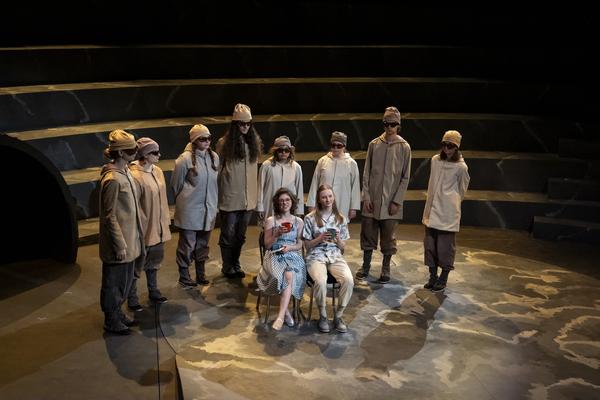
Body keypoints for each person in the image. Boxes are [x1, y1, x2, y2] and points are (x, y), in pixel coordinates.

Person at [357, 106, 411, 283]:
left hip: (390, 202)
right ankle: (366, 266)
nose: (389, 127)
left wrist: (397, 201)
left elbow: (405, 177)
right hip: (372, 200)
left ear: (398, 125)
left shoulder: (404, 147)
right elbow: (366, 173)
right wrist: (366, 196)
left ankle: (386, 268)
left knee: (388, 237)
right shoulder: (374, 144)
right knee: (368, 234)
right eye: (386, 124)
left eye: (393, 124)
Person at [99, 129, 144, 334]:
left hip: (130, 239)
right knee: (113, 283)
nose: (135, 153)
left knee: (124, 282)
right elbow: (109, 216)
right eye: (131, 150)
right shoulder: (112, 179)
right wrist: (119, 244)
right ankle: (111, 318)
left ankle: (118, 313)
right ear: (121, 153)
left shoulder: (125, 173)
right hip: (120, 244)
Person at [216, 103, 263, 278]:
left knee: (240, 235)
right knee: (228, 234)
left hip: (248, 199)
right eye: (241, 124)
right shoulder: (224, 143)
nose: (245, 127)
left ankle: (235, 263)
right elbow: (218, 170)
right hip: (230, 197)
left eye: (248, 123)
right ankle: (227, 266)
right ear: (235, 124)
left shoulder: (254, 142)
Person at [171, 124, 219, 287]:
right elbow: (176, 185)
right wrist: (186, 200)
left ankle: (200, 274)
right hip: (189, 210)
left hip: (208, 209)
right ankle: (184, 275)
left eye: (209, 138)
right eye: (202, 139)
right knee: (187, 244)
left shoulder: (214, 157)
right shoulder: (184, 160)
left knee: (203, 244)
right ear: (194, 140)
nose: (207, 141)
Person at [422, 130, 470, 291]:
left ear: (456, 147)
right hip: (431, 210)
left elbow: (462, 190)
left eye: (450, 146)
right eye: (444, 145)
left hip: (447, 212)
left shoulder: (461, 167)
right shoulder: (435, 160)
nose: (446, 149)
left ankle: (443, 278)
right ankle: (432, 276)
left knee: (445, 248)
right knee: (430, 246)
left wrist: (450, 203)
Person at [127, 137, 172, 310]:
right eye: (155, 152)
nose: (159, 155)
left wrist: (165, 221)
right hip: (144, 228)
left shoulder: (157, 171)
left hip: (159, 227)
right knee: (137, 265)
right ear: (145, 155)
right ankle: (132, 297)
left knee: (154, 262)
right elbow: (134, 206)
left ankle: (153, 290)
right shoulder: (134, 175)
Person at [303, 184, 354, 334]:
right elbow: (307, 245)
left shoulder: (340, 219)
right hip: (316, 256)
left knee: (348, 280)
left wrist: (338, 240)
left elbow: (343, 248)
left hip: (335, 256)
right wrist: (319, 238)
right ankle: (323, 316)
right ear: (319, 199)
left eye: (330, 196)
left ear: (334, 197)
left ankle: (338, 316)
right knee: (320, 281)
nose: (328, 200)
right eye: (324, 197)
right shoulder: (310, 218)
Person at [256, 188, 306, 331]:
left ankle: (281, 315)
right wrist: (276, 234)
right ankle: (284, 314)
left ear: (292, 202)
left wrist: (290, 248)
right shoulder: (271, 221)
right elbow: (267, 245)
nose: (284, 203)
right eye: (281, 200)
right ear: (277, 203)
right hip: (274, 255)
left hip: (292, 255)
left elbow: (300, 244)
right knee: (283, 275)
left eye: (287, 200)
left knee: (289, 273)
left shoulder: (298, 221)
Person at [307, 131, 360, 221]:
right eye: (333, 145)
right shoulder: (322, 161)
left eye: (339, 146)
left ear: (344, 146)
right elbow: (315, 183)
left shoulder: (351, 164)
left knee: (340, 226)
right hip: (323, 204)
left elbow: (355, 187)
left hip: (342, 203)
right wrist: (311, 204)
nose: (335, 148)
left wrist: (353, 208)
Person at [256, 135, 304, 223]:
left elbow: (299, 189)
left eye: (287, 150)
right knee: (269, 226)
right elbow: (260, 187)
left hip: (289, 207)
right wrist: (260, 207)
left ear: (290, 151)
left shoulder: (296, 167)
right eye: (280, 150)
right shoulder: (266, 165)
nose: (283, 153)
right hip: (270, 204)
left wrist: (299, 210)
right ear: (275, 151)